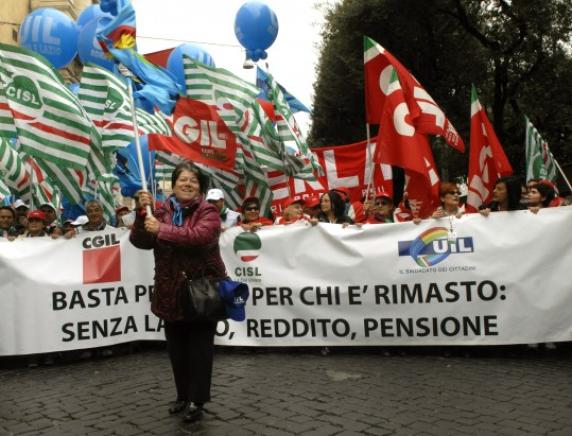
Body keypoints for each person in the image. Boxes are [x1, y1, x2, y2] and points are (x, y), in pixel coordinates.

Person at [130, 161, 226, 423]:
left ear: (200, 188)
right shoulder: (159, 211)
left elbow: (198, 237)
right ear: (173, 185)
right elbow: (141, 242)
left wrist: (162, 229)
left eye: (193, 181)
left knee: (199, 350)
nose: (187, 184)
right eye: (182, 179)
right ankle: (182, 395)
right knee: (177, 350)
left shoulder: (208, 211)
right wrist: (141, 215)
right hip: (169, 292)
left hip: (201, 291)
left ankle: (198, 400)